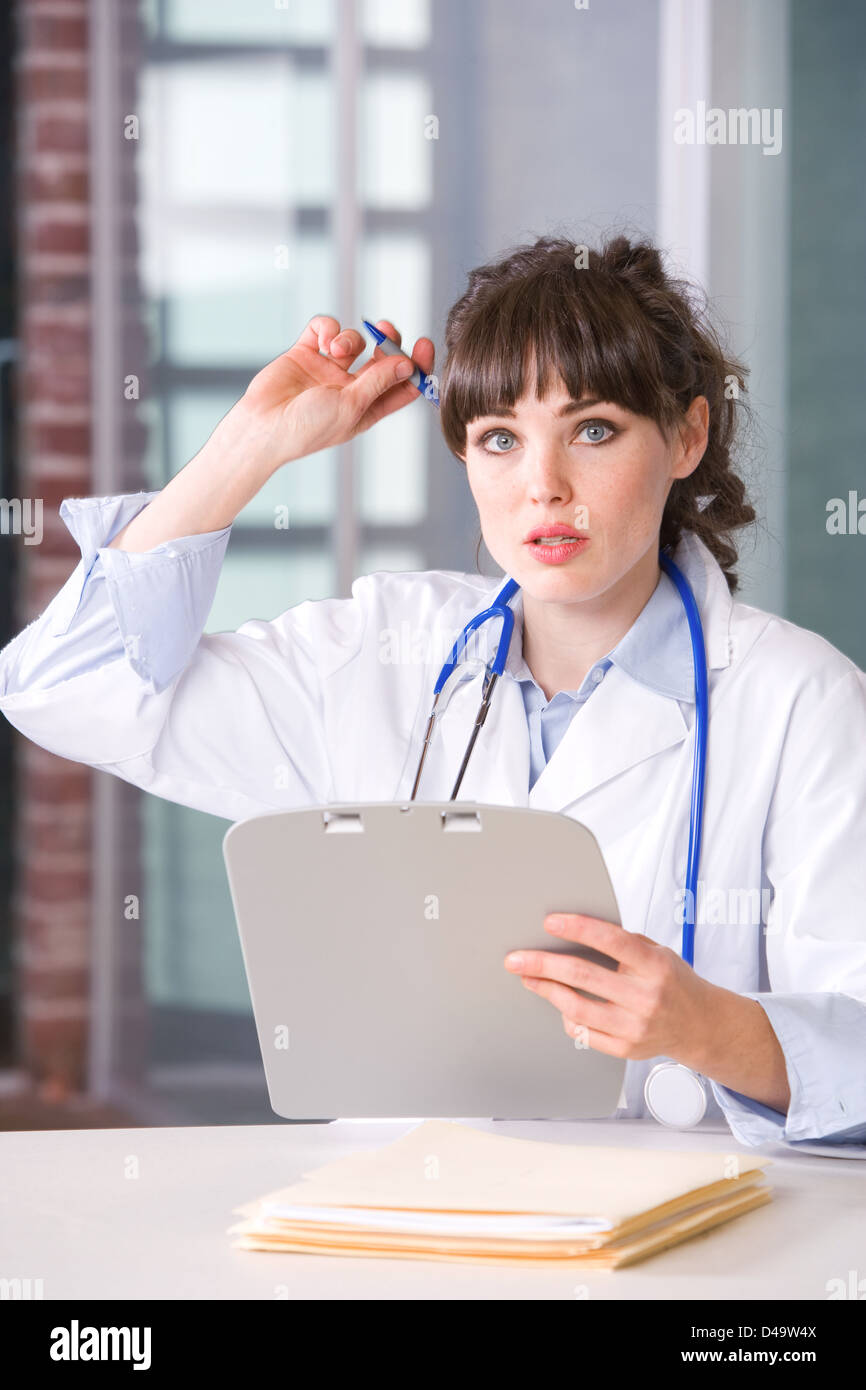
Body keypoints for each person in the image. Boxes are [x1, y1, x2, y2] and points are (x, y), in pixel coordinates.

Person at [2, 234, 865, 1147]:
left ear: (688, 436)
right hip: (403, 1233)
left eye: (594, 430)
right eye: (500, 439)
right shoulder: (384, 651)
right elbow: (64, 687)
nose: (545, 487)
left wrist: (709, 1028)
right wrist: (248, 449)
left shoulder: (801, 701)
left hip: (673, 1256)